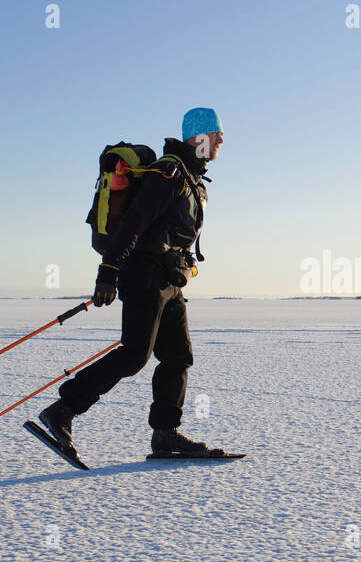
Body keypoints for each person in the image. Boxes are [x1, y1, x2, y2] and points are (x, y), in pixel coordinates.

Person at [38, 107, 225, 459]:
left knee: (178, 356)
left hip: (170, 281)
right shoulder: (168, 173)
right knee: (135, 354)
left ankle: (166, 434)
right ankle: (62, 410)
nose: (221, 140)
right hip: (144, 274)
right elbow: (134, 223)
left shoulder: (191, 178)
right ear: (197, 136)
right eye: (216, 134)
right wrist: (108, 271)